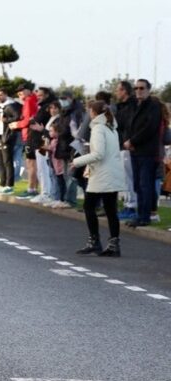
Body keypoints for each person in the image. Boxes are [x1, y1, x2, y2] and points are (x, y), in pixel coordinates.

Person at [70, 101, 125, 256]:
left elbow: (98, 154)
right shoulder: (111, 127)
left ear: (93, 112)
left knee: (89, 207)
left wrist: (77, 161)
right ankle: (114, 244)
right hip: (111, 172)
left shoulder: (98, 129)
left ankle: (94, 241)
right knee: (110, 209)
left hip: (101, 174)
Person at [123, 79, 163, 227]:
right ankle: (140, 215)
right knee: (137, 185)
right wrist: (128, 141)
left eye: (141, 88)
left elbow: (149, 128)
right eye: (136, 88)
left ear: (148, 90)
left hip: (147, 152)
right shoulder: (135, 106)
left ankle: (145, 216)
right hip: (135, 151)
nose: (138, 91)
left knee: (145, 184)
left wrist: (133, 141)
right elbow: (128, 125)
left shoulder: (153, 106)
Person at [113, 80, 138, 221]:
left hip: (127, 145)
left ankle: (131, 207)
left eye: (119, 90)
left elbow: (126, 125)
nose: (117, 92)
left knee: (129, 178)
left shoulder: (130, 106)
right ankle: (128, 205)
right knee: (125, 178)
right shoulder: (122, 107)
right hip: (122, 145)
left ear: (125, 91)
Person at [12, 84, 39, 198]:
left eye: (21, 93)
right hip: (32, 134)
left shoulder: (28, 101)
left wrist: (16, 124)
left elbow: (27, 120)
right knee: (34, 164)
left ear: (28, 91)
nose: (20, 96)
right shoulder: (33, 100)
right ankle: (34, 188)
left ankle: (31, 189)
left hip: (29, 134)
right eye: (18, 94)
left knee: (31, 163)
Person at [0, 90, 21, 194]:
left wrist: (6, 120)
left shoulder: (10, 106)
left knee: (7, 161)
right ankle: (2, 183)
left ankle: (9, 185)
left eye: (1, 95)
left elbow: (17, 117)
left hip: (7, 136)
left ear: (6, 95)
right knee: (0, 162)